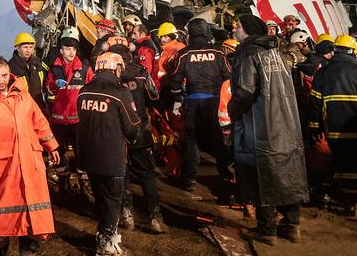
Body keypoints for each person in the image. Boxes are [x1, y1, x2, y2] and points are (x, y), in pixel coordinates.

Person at [0, 58, 60, 256]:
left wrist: (51, 145)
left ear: (10, 75)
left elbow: (39, 122)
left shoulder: (24, 96)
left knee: (32, 215)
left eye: (4, 75)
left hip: (30, 163)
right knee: (2, 216)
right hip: (4, 166)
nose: (1, 80)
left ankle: (29, 250)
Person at [229, 14, 308, 245]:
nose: (235, 30)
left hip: (260, 123)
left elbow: (244, 90)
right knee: (287, 171)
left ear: (249, 30)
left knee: (261, 175)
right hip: (286, 123)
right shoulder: (277, 52)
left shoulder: (248, 53)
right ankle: (292, 225)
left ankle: (266, 230)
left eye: (238, 27)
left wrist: (234, 112)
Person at [76, 52, 140, 256]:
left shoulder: (84, 91)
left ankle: (102, 236)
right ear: (116, 68)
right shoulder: (120, 92)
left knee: (101, 199)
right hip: (112, 157)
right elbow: (132, 126)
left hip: (89, 156)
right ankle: (106, 243)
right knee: (113, 201)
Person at [168, 19, 233, 195]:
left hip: (193, 100)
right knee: (219, 140)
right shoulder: (219, 53)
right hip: (215, 101)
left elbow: (175, 79)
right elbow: (229, 77)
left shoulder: (184, 53)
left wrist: (177, 100)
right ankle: (226, 176)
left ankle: (190, 179)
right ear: (206, 32)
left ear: (190, 34)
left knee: (192, 141)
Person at [308, 35, 357, 219]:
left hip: (335, 129)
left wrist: (314, 129)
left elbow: (315, 103)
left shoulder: (324, 73)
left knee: (346, 169)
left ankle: (351, 206)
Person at [113, 43, 165, 234]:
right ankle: (155, 217)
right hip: (140, 130)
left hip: (118, 132)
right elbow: (154, 95)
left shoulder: (110, 77)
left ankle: (127, 215)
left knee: (122, 173)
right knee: (146, 173)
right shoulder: (141, 71)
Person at [45, 36, 92, 178]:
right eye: (67, 49)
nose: (71, 52)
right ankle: (61, 178)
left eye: (73, 49)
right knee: (58, 150)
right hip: (59, 117)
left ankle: (84, 177)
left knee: (81, 149)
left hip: (78, 118)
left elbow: (92, 87)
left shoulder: (84, 67)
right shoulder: (54, 68)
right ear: (61, 51)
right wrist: (53, 85)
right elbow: (48, 89)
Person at [8, 32, 46, 110]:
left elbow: (46, 81)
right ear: (18, 48)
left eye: (31, 47)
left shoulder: (38, 62)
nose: (28, 50)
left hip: (39, 105)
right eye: (25, 47)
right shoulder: (11, 67)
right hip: (22, 108)